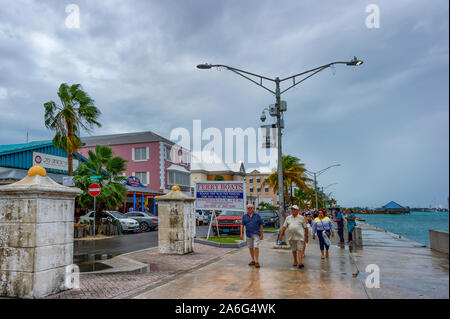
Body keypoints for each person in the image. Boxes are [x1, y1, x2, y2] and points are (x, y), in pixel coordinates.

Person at [240, 204, 264, 268]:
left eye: (251, 208)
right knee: (250, 247)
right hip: (248, 234)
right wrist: (241, 233)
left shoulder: (257, 216)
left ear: (253, 208)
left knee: (256, 246)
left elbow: (261, 225)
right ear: (247, 209)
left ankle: (256, 261)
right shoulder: (245, 216)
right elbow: (242, 225)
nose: (250, 209)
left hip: (256, 234)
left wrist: (262, 234)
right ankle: (253, 260)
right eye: (248, 208)